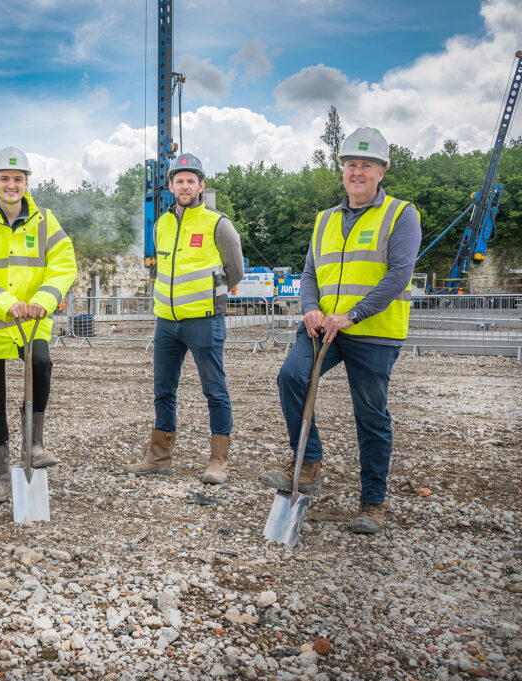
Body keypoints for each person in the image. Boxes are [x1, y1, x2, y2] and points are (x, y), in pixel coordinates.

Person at [260, 127, 422, 534]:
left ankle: (372, 504)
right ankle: (309, 462)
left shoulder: (401, 214)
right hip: (323, 328)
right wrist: (310, 308)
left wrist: (353, 314)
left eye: (367, 164)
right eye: (351, 164)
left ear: (382, 171)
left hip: (374, 331)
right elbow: (311, 272)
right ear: (343, 170)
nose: (358, 171)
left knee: (370, 414)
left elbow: (399, 274)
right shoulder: (325, 219)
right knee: (291, 377)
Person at [0, 147, 77, 503]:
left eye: (18, 179)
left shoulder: (46, 220)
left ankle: (35, 443)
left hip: (33, 319)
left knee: (41, 365)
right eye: (5, 179)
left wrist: (43, 300)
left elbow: (63, 264)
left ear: (27, 182)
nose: (12, 185)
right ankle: (1, 476)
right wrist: (9, 304)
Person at [125, 153, 244, 484]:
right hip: (166, 323)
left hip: (203, 321)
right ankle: (159, 456)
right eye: (180, 180)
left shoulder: (217, 224)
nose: (185, 185)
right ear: (170, 186)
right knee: (163, 389)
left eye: (192, 180)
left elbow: (235, 269)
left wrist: (213, 298)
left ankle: (218, 461)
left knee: (214, 390)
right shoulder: (161, 224)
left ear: (201, 186)